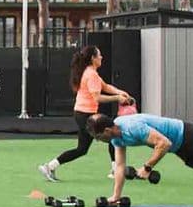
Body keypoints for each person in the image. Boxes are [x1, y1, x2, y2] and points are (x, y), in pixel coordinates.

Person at [37, 45, 132, 182]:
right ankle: (115, 170)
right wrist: (117, 98)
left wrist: (120, 92)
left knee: (82, 149)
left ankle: (49, 167)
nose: (101, 57)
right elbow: (97, 97)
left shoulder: (90, 72)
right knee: (113, 134)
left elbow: (105, 86)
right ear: (93, 58)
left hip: (83, 114)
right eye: (99, 55)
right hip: (86, 115)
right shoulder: (91, 74)